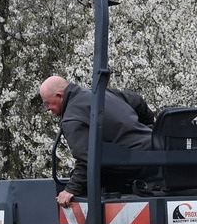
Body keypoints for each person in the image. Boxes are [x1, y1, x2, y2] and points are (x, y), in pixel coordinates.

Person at [39, 75, 153, 206]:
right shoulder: (101, 94)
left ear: (59, 96)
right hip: (155, 152)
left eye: (47, 103)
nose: (47, 109)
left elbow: (88, 159)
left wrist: (71, 189)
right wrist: (149, 130)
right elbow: (137, 100)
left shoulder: (72, 118)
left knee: (85, 181)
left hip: (132, 162)